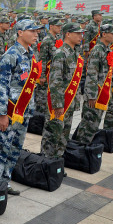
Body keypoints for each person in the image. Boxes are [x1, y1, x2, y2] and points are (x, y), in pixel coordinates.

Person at [0, 19, 43, 196]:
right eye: (32, 31)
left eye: (37, 31)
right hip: (10, 112)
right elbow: (2, 86)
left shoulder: (30, 53)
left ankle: (5, 181)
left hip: (24, 112)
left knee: (14, 149)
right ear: (20, 32)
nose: (36, 34)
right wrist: (2, 114)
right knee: (1, 148)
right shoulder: (11, 55)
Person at [40, 23, 85, 159]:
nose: (80, 36)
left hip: (70, 102)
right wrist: (58, 104)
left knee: (64, 135)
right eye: (77, 33)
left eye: (81, 33)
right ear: (68, 34)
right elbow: (55, 81)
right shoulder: (60, 53)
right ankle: (46, 163)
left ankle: (57, 162)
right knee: (53, 134)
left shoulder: (75, 53)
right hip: (60, 102)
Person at [73, 24, 113, 143]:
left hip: (102, 92)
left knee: (94, 125)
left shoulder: (107, 50)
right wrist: (92, 96)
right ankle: (79, 150)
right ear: (104, 34)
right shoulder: (97, 50)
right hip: (95, 94)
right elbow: (91, 75)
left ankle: (85, 150)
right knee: (88, 125)